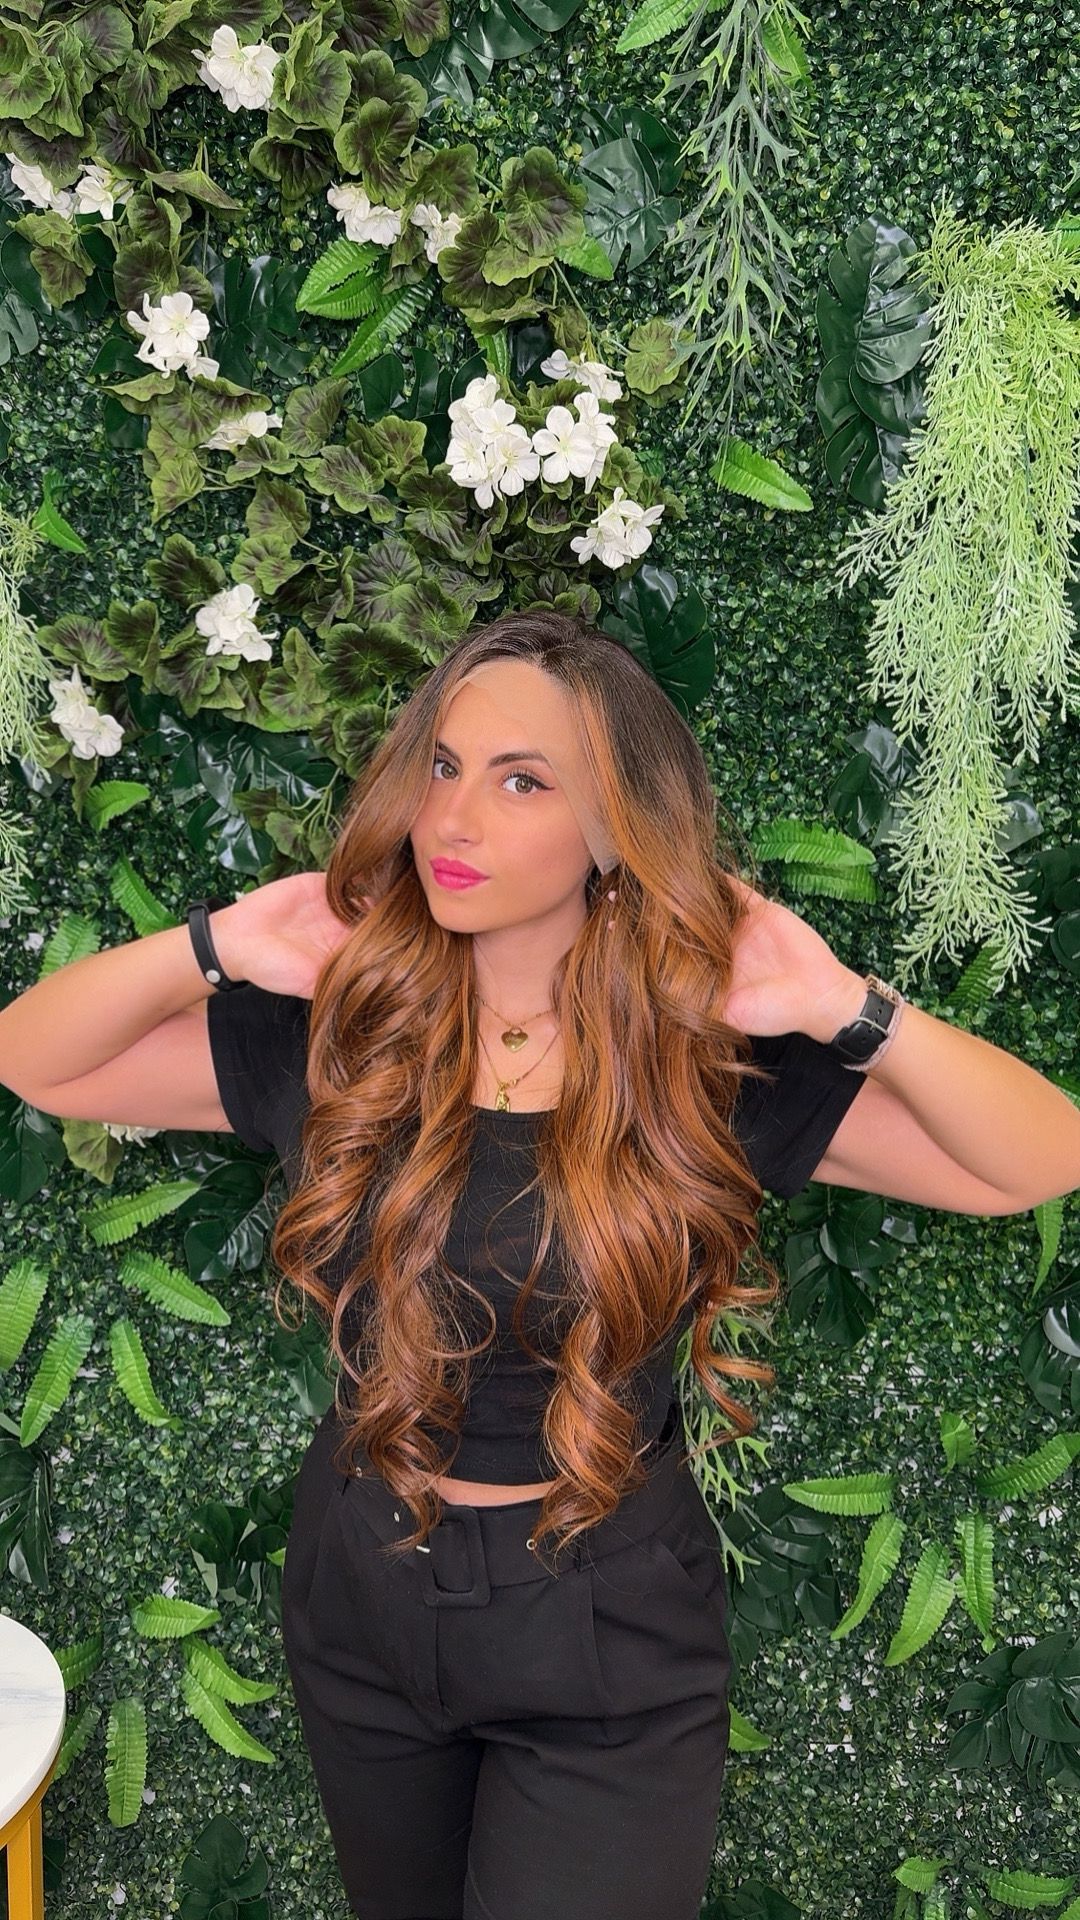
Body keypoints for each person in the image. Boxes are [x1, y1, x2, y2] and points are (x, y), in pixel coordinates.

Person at [4, 609, 1066, 1920]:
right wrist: (221, 944)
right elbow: (36, 1059)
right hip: (364, 1589)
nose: (454, 820)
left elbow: (1037, 1158)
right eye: (444, 767)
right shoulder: (348, 1036)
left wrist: (844, 1003)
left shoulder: (703, 1068)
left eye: (523, 783)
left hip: (605, 1630)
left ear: (615, 831)